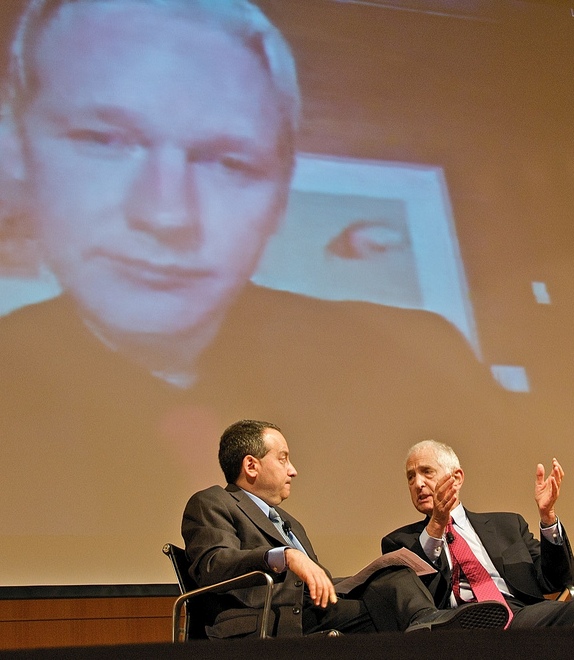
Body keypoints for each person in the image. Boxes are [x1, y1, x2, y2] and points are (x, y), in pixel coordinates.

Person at [0, 0, 513, 585]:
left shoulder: (418, 355)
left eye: (227, 160)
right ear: (19, 147)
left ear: (281, 185)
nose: (166, 212)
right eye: (103, 139)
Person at [181, 419, 509, 638]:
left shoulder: (289, 522)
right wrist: (284, 556)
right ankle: (428, 632)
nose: (292, 470)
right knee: (388, 613)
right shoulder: (213, 502)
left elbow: (319, 583)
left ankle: (428, 624)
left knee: (393, 575)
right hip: (265, 620)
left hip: (308, 610)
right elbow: (213, 566)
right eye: (283, 458)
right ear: (251, 465)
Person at [382, 439, 574, 628]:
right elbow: (414, 604)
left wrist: (548, 518)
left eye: (426, 472)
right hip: (455, 621)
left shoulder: (508, 526)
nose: (418, 484)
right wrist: (438, 524)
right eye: (410, 477)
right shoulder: (399, 543)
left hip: (519, 616)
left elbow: (555, 581)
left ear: (456, 478)